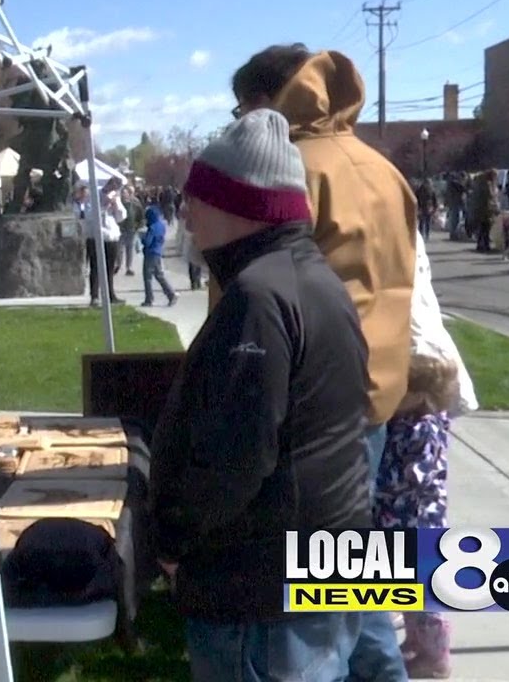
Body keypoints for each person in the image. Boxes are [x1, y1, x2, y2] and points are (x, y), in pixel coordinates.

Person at [151, 109, 373, 681]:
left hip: (262, 588)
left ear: (237, 205)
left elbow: (237, 455)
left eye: (197, 199)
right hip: (321, 564)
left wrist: (174, 542)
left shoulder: (258, 296)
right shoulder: (315, 279)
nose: (188, 215)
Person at [225, 43, 414, 680]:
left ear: (268, 101)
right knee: (352, 584)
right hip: (376, 398)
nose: (236, 121)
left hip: (310, 407)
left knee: (302, 627)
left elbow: (256, 297)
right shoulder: (382, 168)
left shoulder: (291, 172)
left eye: (241, 106)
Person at [375, 232, 478, 680]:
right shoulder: (428, 421)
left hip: (408, 518)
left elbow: (403, 477)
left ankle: (433, 654)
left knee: (419, 593)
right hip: (418, 517)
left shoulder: (413, 430)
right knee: (412, 593)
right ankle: (419, 645)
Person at [77, 177, 127, 305]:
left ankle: (110, 294)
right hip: (95, 236)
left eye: (115, 188)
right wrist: (104, 206)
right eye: (111, 186)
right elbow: (89, 215)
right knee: (96, 267)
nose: (112, 189)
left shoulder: (115, 197)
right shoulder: (93, 195)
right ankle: (94, 296)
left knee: (110, 268)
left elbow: (121, 217)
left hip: (111, 237)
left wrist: (115, 204)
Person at [138, 204, 176, 306]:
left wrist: (141, 237)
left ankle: (149, 299)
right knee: (159, 275)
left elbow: (147, 242)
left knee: (147, 277)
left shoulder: (152, 228)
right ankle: (171, 294)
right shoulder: (161, 225)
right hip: (158, 252)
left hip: (150, 253)